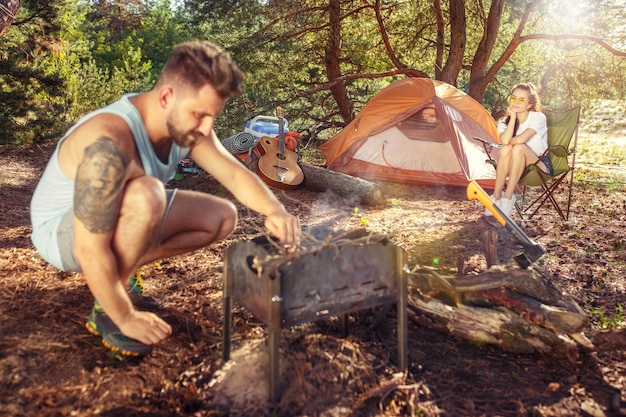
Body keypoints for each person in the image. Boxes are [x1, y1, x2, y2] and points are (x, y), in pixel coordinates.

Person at [30, 40, 301, 357]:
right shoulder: (109, 140)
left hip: (114, 217)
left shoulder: (187, 124)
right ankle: (107, 310)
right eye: (199, 114)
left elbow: (233, 173)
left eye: (212, 116)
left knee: (221, 217)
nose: (205, 127)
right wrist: (126, 316)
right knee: (148, 194)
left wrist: (275, 209)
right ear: (166, 97)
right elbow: (88, 249)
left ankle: (118, 279)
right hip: (63, 232)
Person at [486, 82, 551, 217]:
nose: (516, 102)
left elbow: (520, 140)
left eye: (521, 100)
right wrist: (513, 117)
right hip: (513, 165)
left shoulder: (538, 117)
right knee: (506, 149)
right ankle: (497, 196)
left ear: (529, 104)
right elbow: (504, 142)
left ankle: (508, 197)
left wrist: (509, 141)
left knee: (517, 147)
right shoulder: (505, 122)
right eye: (513, 98)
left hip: (539, 166)